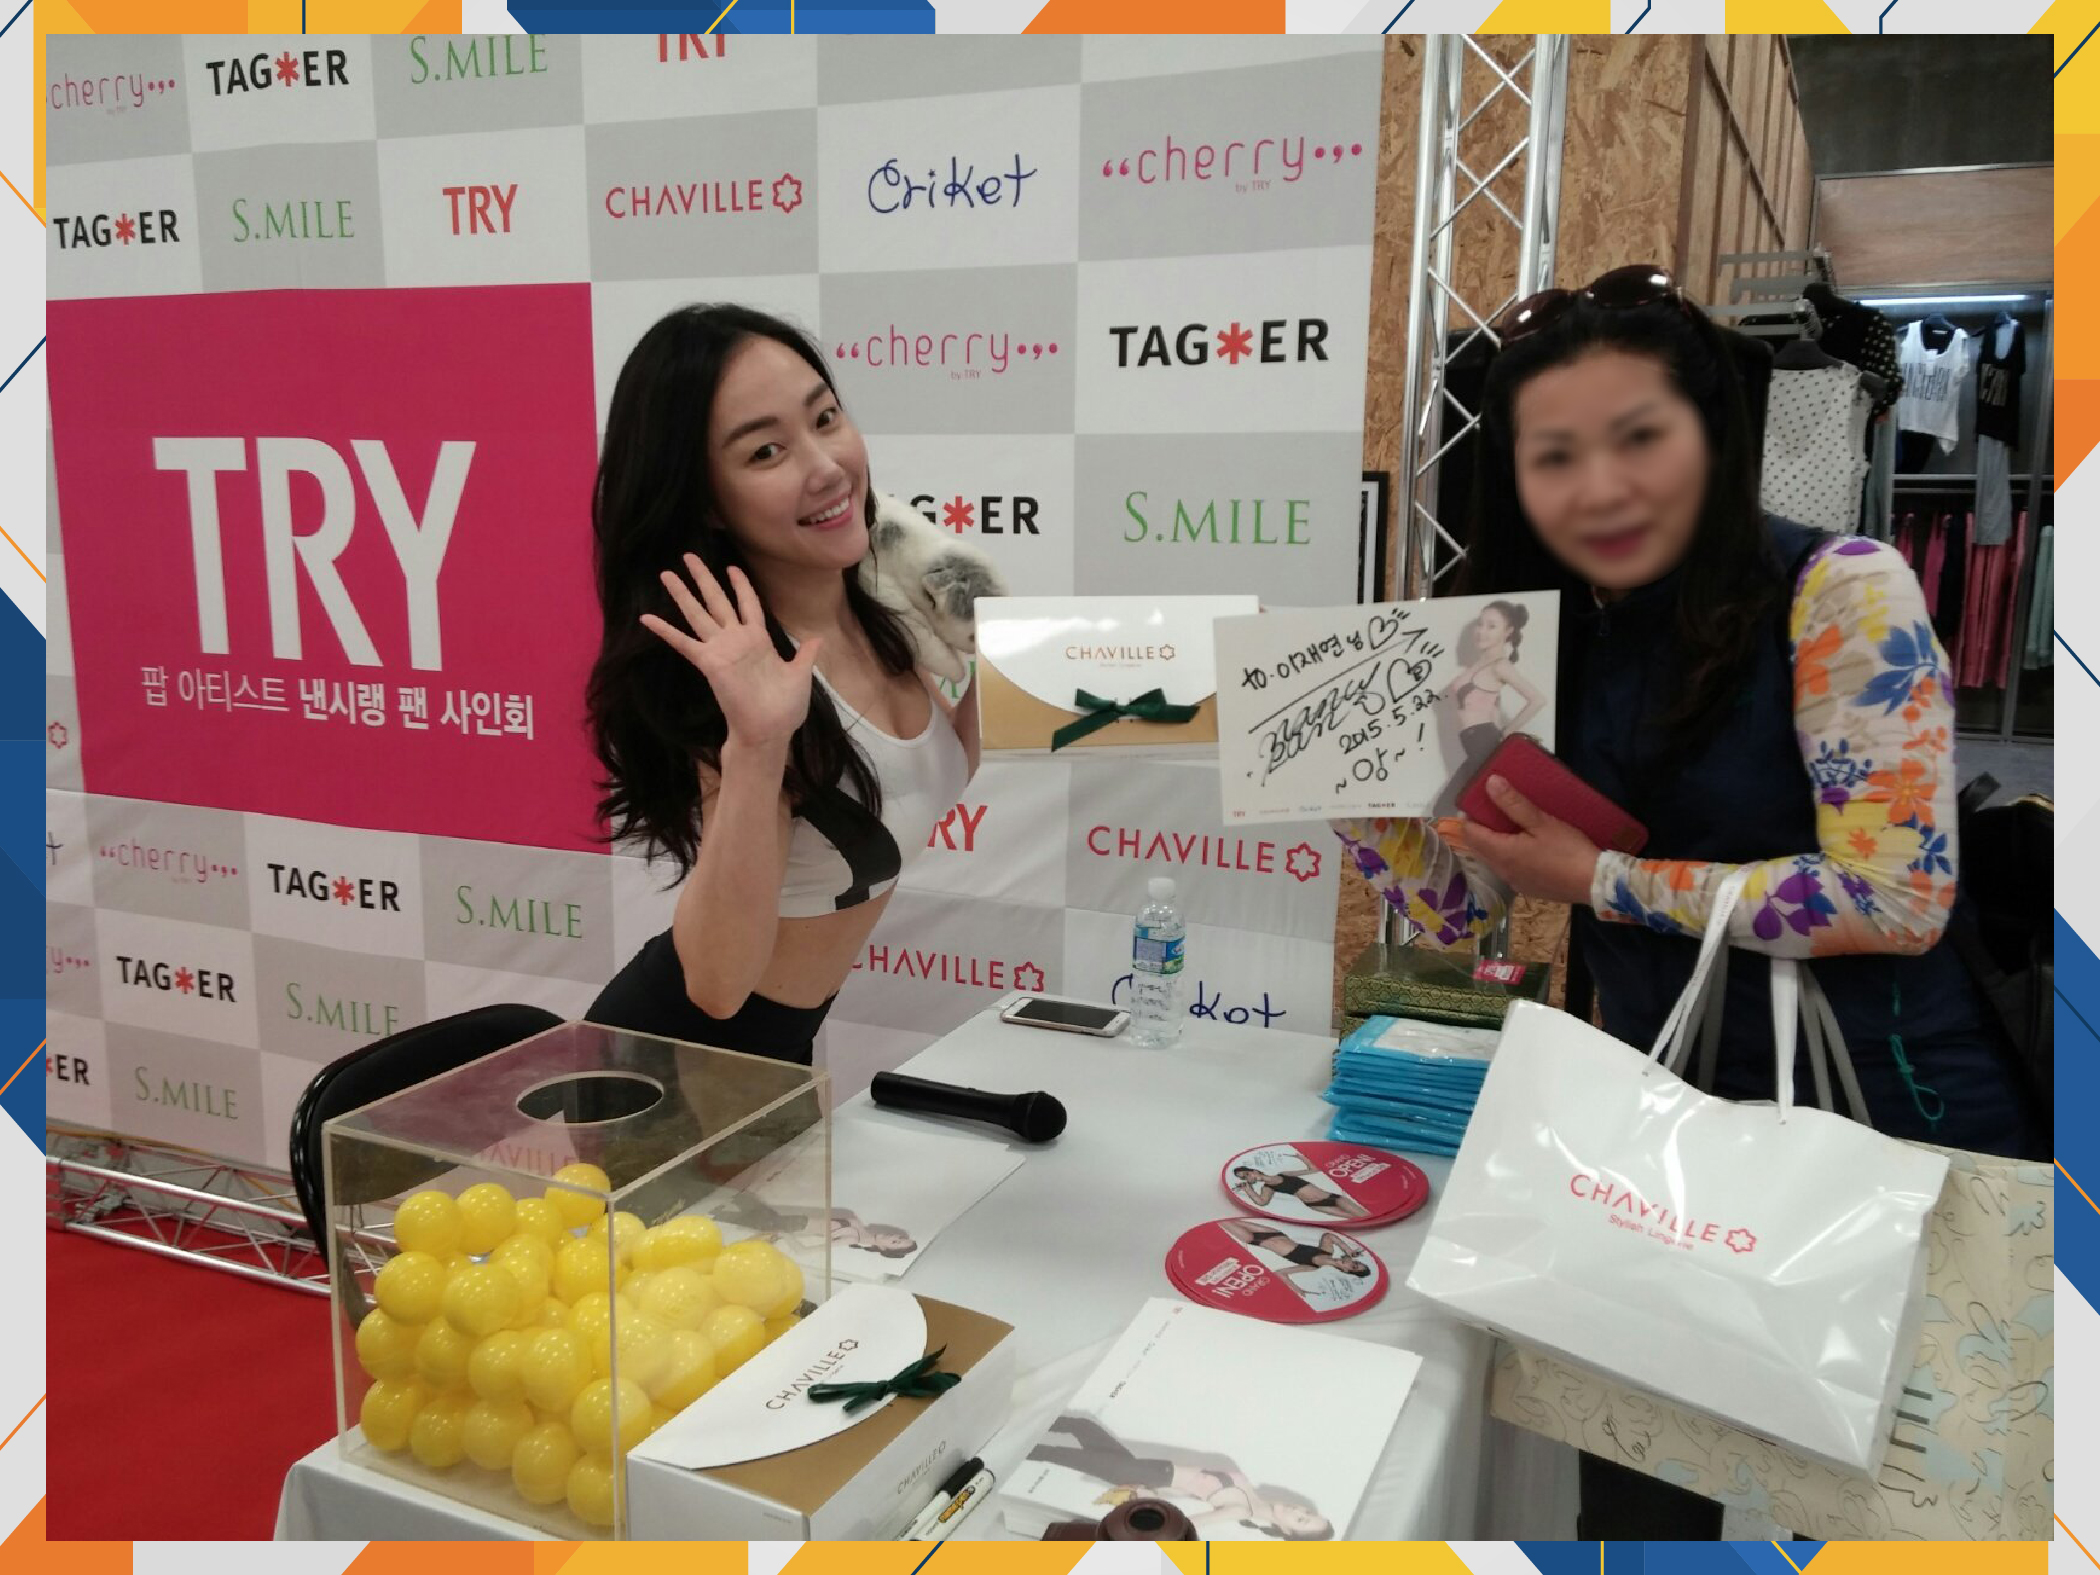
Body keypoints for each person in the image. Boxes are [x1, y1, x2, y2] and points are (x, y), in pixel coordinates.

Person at [1332, 264, 2044, 1539]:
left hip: (1882, 1113)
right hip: (1658, 1125)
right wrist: (1356, 802)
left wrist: (1600, 882)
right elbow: (1464, 915)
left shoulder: (1841, 590)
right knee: (1648, 1480)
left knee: (1892, 1498)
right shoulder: (1525, 640)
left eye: (1639, 437)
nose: (1601, 488)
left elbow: (1896, 896)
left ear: (1711, 435)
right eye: (1555, 456)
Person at [582, 304, 997, 1067]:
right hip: (676, 1067)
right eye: (767, 451)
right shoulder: (734, 676)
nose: (826, 466)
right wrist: (757, 745)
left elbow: (931, 771)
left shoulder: (875, 605)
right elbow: (717, 985)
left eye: (825, 417)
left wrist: (1011, 665)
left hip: (775, 1057)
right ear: (706, 499)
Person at [1030, 1415, 1334, 1540]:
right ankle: (1030, 1422)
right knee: (1082, 1427)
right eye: (1306, 1511)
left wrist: (1147, 1497)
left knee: (1055, 1453)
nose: (1297, 1510)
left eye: (1301, 1520)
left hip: (1141, 1474)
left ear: (1286, 1530)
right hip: (1149, 1468)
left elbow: (1187, 1526)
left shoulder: (1241, 1511)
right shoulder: (1251, 1492)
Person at [1443, 598, 1547, 788]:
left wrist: (1507, 732)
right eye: (1480, 624)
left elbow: (1538, 700)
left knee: (1458, 800)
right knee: (1454, 801)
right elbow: (1490, 704)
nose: (1482, 631)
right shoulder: (1480, 663)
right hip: (1474, 743)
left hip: (1483, 742)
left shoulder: (1500, 666)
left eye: (1491, 626)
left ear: (1508, 631)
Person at [1220, 1219, 1373, 1280]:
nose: (1352, 1262)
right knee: (1229, 1218)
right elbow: (1329, 1236)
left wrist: (1297, 1290)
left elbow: (1281, 1273)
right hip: (1274, 1233)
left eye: (1353, 1266)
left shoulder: (1312, 1267)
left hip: (1257, 1241)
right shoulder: (1327, 1251)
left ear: (1346, 1271)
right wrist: (1348, 1250)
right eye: (1355, 1262)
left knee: (1222, 1223)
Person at [1228, 1162, 1371, 1220]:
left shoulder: (1284, 1174)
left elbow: (1312, 1170)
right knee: (1354, 1219)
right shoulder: (1267, 1188)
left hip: (1331, 1197)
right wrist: (1248, 1190)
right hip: (1316, 1205)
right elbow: (1262, 1202)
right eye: (1245, 1178)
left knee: (1365, 1215)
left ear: (1254, 1170)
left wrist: (1300, 1157)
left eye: (1247, 1174)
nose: (1248, 1177)